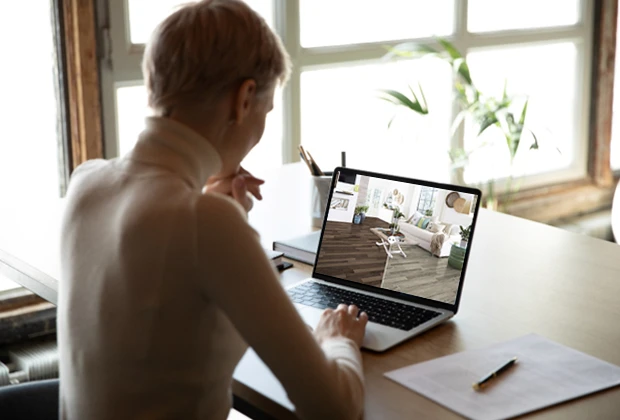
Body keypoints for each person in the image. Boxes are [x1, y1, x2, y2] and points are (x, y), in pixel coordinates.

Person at [58, 1, 368, 419]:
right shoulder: (205, 223)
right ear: (243, 100)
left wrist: (218, 211)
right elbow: (334, 409)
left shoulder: (86, 182)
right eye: (266, 110)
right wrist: (339, 339)